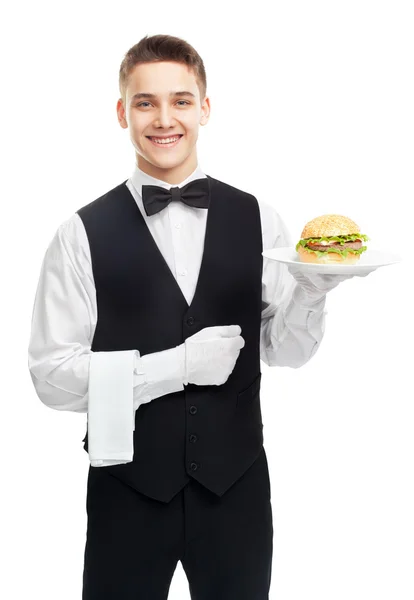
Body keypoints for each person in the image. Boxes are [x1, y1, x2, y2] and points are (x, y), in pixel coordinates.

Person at [28, 33, 367, 600]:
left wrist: (312, 291)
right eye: (146, 102)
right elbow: (50, 377)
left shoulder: (259, 217)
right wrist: (173, 366)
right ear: (122, 113)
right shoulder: (78, 235)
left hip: (235, 488)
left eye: (181, 100)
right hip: (125, 490)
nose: (165, 118)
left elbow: (287, 351)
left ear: (204, 109)